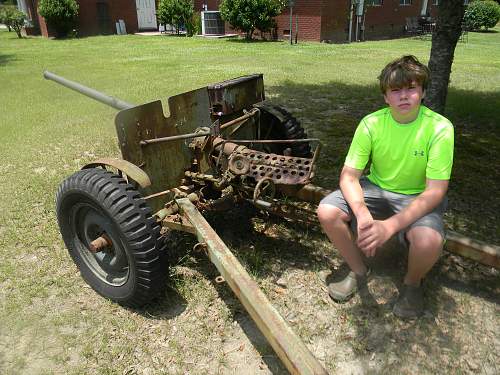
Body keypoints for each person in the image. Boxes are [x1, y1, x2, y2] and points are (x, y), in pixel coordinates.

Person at [317, 55, 454, 318]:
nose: (404, 96)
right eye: (395, 90)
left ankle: (412, 283)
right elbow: (348, 176)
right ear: (385, 97)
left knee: (429, 240)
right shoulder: (372, 124)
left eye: (411, 88)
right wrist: (362, 212)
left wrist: (389, 226)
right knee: (327, 211)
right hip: (376, 189)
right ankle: (358, 270)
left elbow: (436, 191)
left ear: (423, 92)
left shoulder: (440, 128)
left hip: (418, 195)